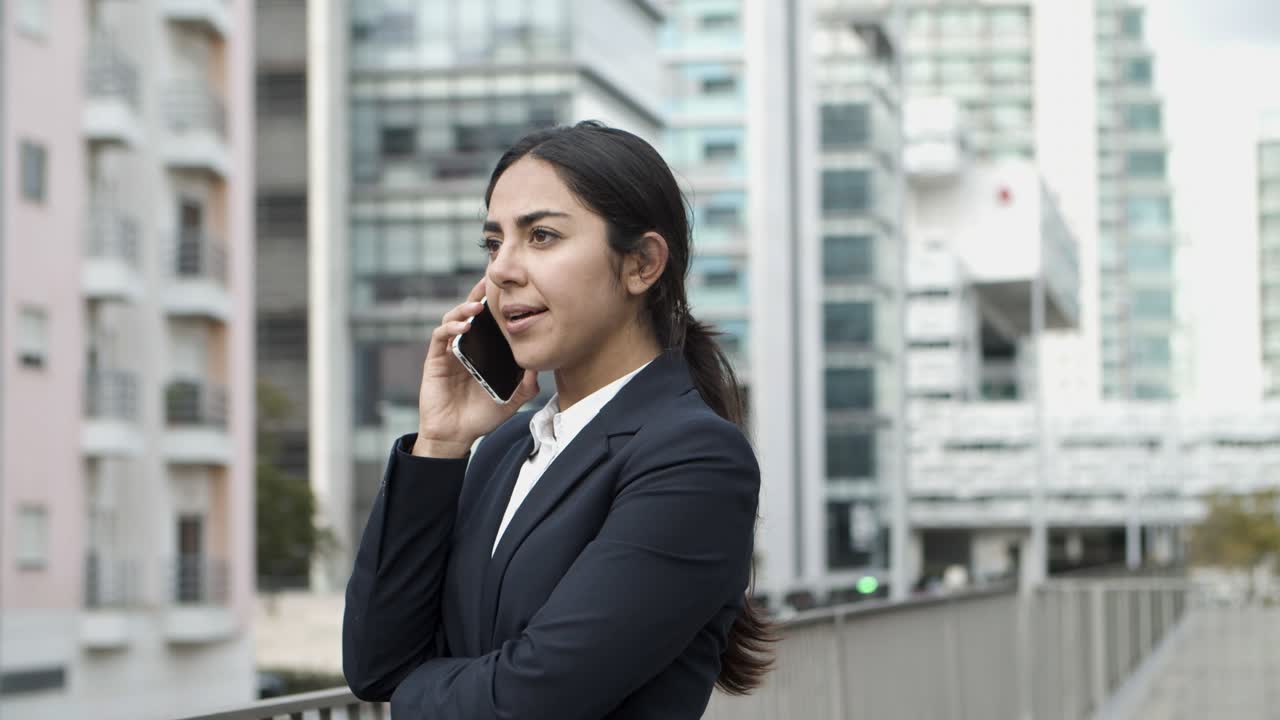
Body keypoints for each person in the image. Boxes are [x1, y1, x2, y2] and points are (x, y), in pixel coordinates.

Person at [342, 120, 773, 719]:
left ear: (642, 264)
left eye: (541, 236)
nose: (502, 271)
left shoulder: (694, 458)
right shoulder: (502, 449)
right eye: (493, 244)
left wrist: (414, 694)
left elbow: (534, 699)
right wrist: (441, 443)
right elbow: (376, 664)